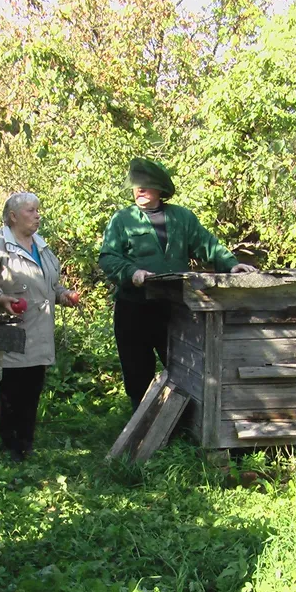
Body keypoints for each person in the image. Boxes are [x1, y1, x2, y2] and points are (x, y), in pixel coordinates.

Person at [99, 158, 256, 412]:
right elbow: (108, 257)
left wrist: (230, 264)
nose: (139, 190)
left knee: (185, 366)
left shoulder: (181, 217)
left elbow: (207, 244)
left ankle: (186, 422)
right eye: (136, 186)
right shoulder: (122, 219)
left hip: (175, 309)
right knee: (137, 369)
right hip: (134, 307)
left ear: (160, 189)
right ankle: (140, 424)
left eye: (145, 186)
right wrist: (132, 273)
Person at [0, 192, 79, 461]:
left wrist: (64, 295)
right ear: (13, 216)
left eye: (38, 210)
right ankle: (10, 447)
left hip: (39, 332)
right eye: (31, 210)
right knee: (12, 391)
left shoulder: (41, 244)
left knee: (32, 389)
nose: (38, 215)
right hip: (11, 331)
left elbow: (49, 285)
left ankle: (26, 444)